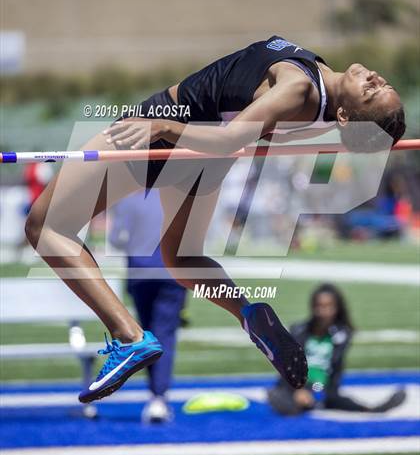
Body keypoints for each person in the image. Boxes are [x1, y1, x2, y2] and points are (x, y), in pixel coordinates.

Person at [24, 34, 406, 404]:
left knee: (45, 226)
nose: (374, 78)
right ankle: (247, 312)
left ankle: (128, 336)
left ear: (344, 114)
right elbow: (262, 135)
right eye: (381, 82)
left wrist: (160, 126)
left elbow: (229, 139)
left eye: (372, 92)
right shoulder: (320, 106)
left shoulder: (300, 89)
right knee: (181, 260)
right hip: (201, 154)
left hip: (168, 130)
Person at [267, 283, 406, 415]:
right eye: (319, 306)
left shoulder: (342, 335)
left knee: (335, 399)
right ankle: (294, 404)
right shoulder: (298, 330)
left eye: (328, 306)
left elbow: (333, 372)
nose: (323, 311)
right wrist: (300, 389)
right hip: (297, 383)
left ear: (337, 307)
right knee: (285, 393)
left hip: (321, 387)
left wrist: (317, 392)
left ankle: (371, 410)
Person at [109, 189, 186, 423]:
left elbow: (115, 239)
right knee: (165, 334)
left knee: (146, 335)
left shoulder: (129, 199)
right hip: (172, 273)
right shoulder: (178, 197)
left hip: (141, 271)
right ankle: (159, 396)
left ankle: (155, 395)